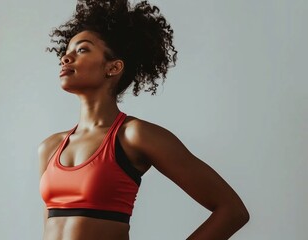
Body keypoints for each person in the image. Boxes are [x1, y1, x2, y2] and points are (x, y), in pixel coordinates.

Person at [38, 0, 249, 239]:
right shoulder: (50, 148)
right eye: (66, 51)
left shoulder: (133, 135)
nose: (66, 57)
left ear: (114, 67)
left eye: (82, 49)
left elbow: (232, 210)